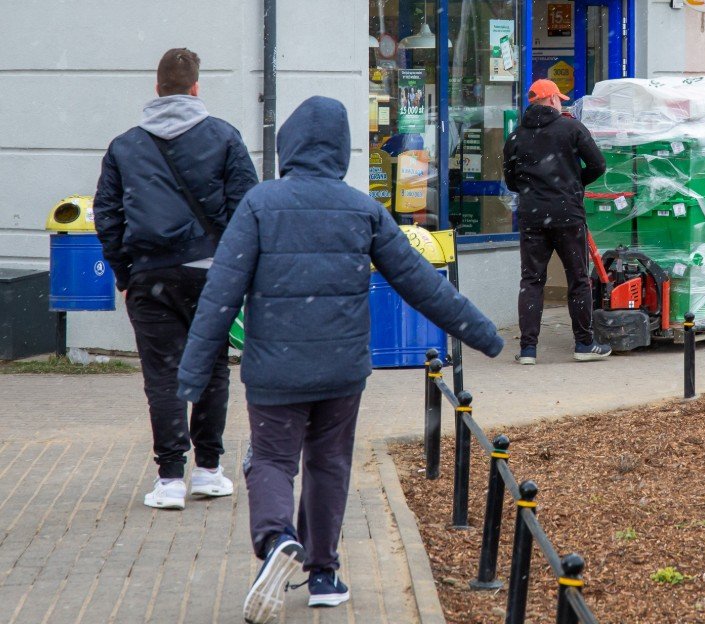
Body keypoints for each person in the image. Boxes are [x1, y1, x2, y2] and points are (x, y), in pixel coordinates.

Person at [175, 96, 503, 623]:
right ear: (340, 150)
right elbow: (420, 282)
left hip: (276, 369)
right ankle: (324, 574)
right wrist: (483, 332)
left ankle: (277, 540)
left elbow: (221, 293)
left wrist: (192, 373)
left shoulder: (259, 205)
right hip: (341, 370)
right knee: (329, 464)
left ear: (288, 146)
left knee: (272, 460)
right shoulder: (362, 209)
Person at [94, 48, 258, 508]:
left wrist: (126, 274)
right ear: (195, 88)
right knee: (211, 369)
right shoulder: (224, 137)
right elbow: (246, 209)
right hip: (212, 275)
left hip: (150, 276)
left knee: (162, 377)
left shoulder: (125, 146)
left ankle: (169, 480)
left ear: (157, 88)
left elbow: (107, 216)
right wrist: (235, 269)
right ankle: (208, 470)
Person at [502, 78, 611, 364]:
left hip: (532, 217)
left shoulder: (516, 136)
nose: (561, 103)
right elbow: (599, 164)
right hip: (567, 215)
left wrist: (536, 190)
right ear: (552, 100)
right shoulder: (572, 128)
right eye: (559, 99)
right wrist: (573, 183)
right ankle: (584, 344)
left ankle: (528, 350)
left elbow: (511, 181)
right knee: (578, 278)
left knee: (532, 280)